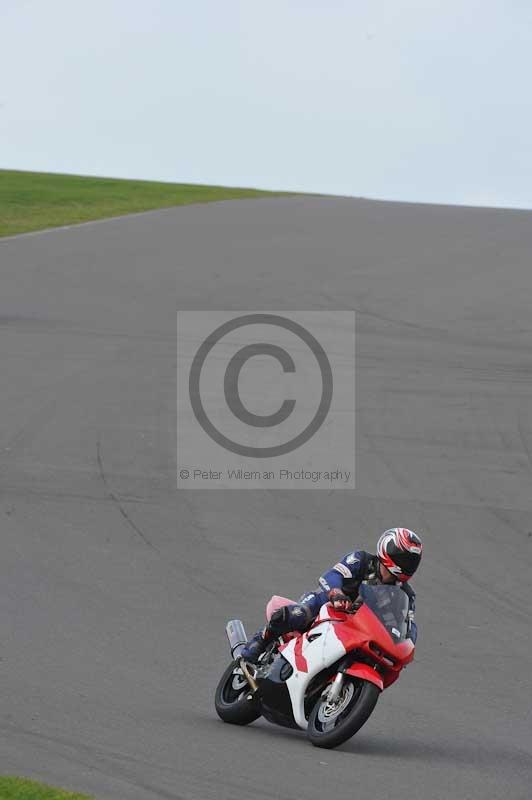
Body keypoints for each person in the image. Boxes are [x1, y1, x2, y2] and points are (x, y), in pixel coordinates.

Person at [240, 527, 423, 663]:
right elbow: (333, 575)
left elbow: (408, 624)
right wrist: (336, 593)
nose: (407, 564)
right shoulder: (361, 560)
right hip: (329, 605)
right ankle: (259, 642)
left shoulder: (405, 594)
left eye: (411, 560)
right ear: (388, 549)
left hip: (359, 628)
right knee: (299, 614)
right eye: (403, 557)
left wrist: (407, 644)